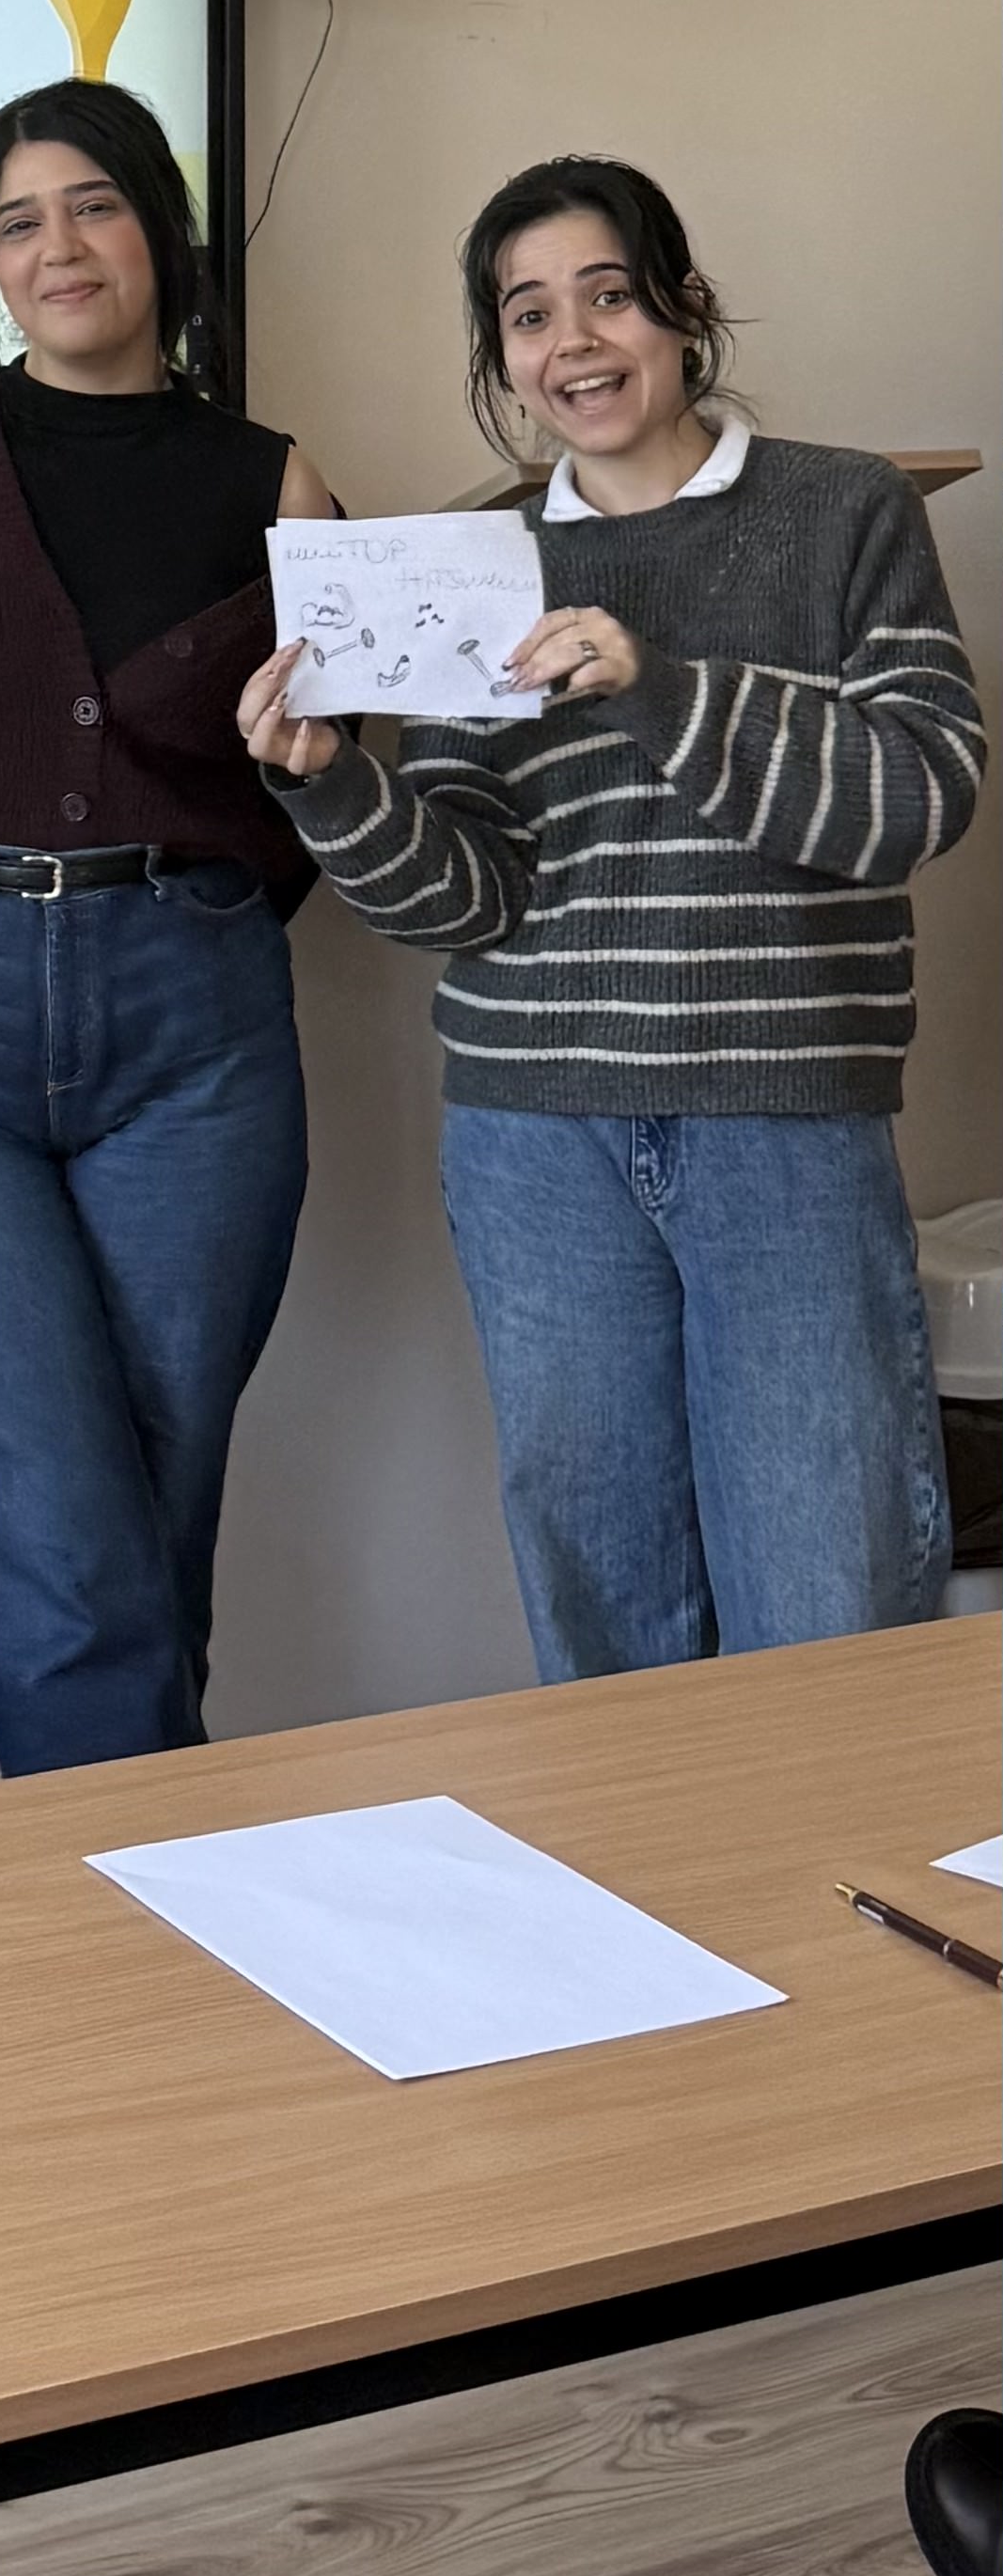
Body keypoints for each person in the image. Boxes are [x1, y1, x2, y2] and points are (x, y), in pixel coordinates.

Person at [242, 154, 983, 1675]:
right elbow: (468, 894)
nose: (571, 342)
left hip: (782, 1120)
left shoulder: (842, 510)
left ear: (681, 305)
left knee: (828, 1596)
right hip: (533, 1140)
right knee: (601, 1605)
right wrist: (328, 785)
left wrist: (659, 687)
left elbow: (919, 795)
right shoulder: (475, 559)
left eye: (606, 295)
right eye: (526, 315)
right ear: (498, 356)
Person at [0, 77, 337, 1774]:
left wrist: (187, 898)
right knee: (66, 1563)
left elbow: (324, 770)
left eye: (90, 204)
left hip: (195, 1033)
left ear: (159, 226)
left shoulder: (276, 480)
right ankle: (136, 1901)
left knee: (149, 1523)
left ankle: (126, 1900)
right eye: (15, 223)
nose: (57, 247)